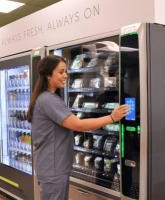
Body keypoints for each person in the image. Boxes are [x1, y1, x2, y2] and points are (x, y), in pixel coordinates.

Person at [27, 55, 129, 200]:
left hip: (51, 166)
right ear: (49, 75)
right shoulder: (49, 100)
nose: (65, 76)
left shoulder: (44, 97)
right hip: (53, 168)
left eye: (66, 72)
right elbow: (78, 125)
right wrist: (112, 117)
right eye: (61, 72)